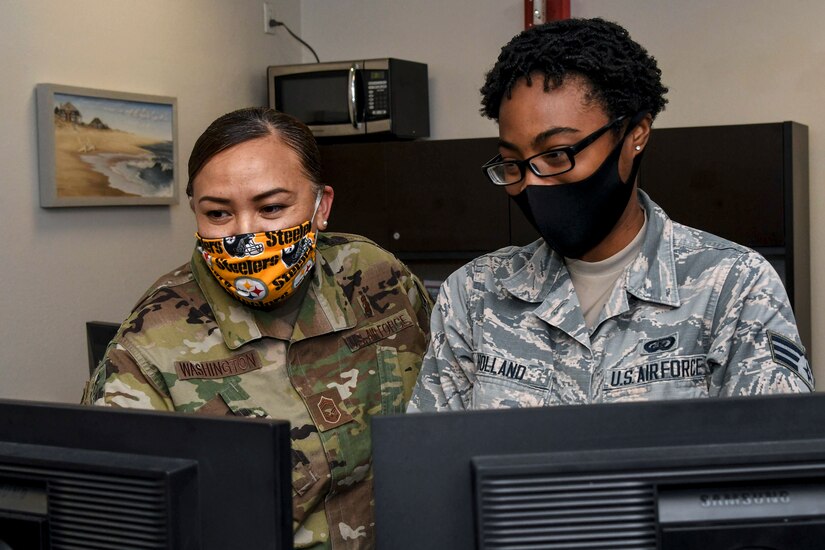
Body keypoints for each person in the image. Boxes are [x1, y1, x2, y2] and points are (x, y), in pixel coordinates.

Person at [408, 17, 812, 412]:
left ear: (634, 135)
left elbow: (777, 463)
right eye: (514, 162)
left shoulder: (731, 287)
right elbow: (431, 466)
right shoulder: (475, 295)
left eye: (555, 154)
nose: (534, 183)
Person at [82, 107, 432, 549]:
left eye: (271, 208)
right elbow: (120, 524)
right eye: (218, 214)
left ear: (321, 206)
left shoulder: (376, 276)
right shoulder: (149, 347)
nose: (246, 235)